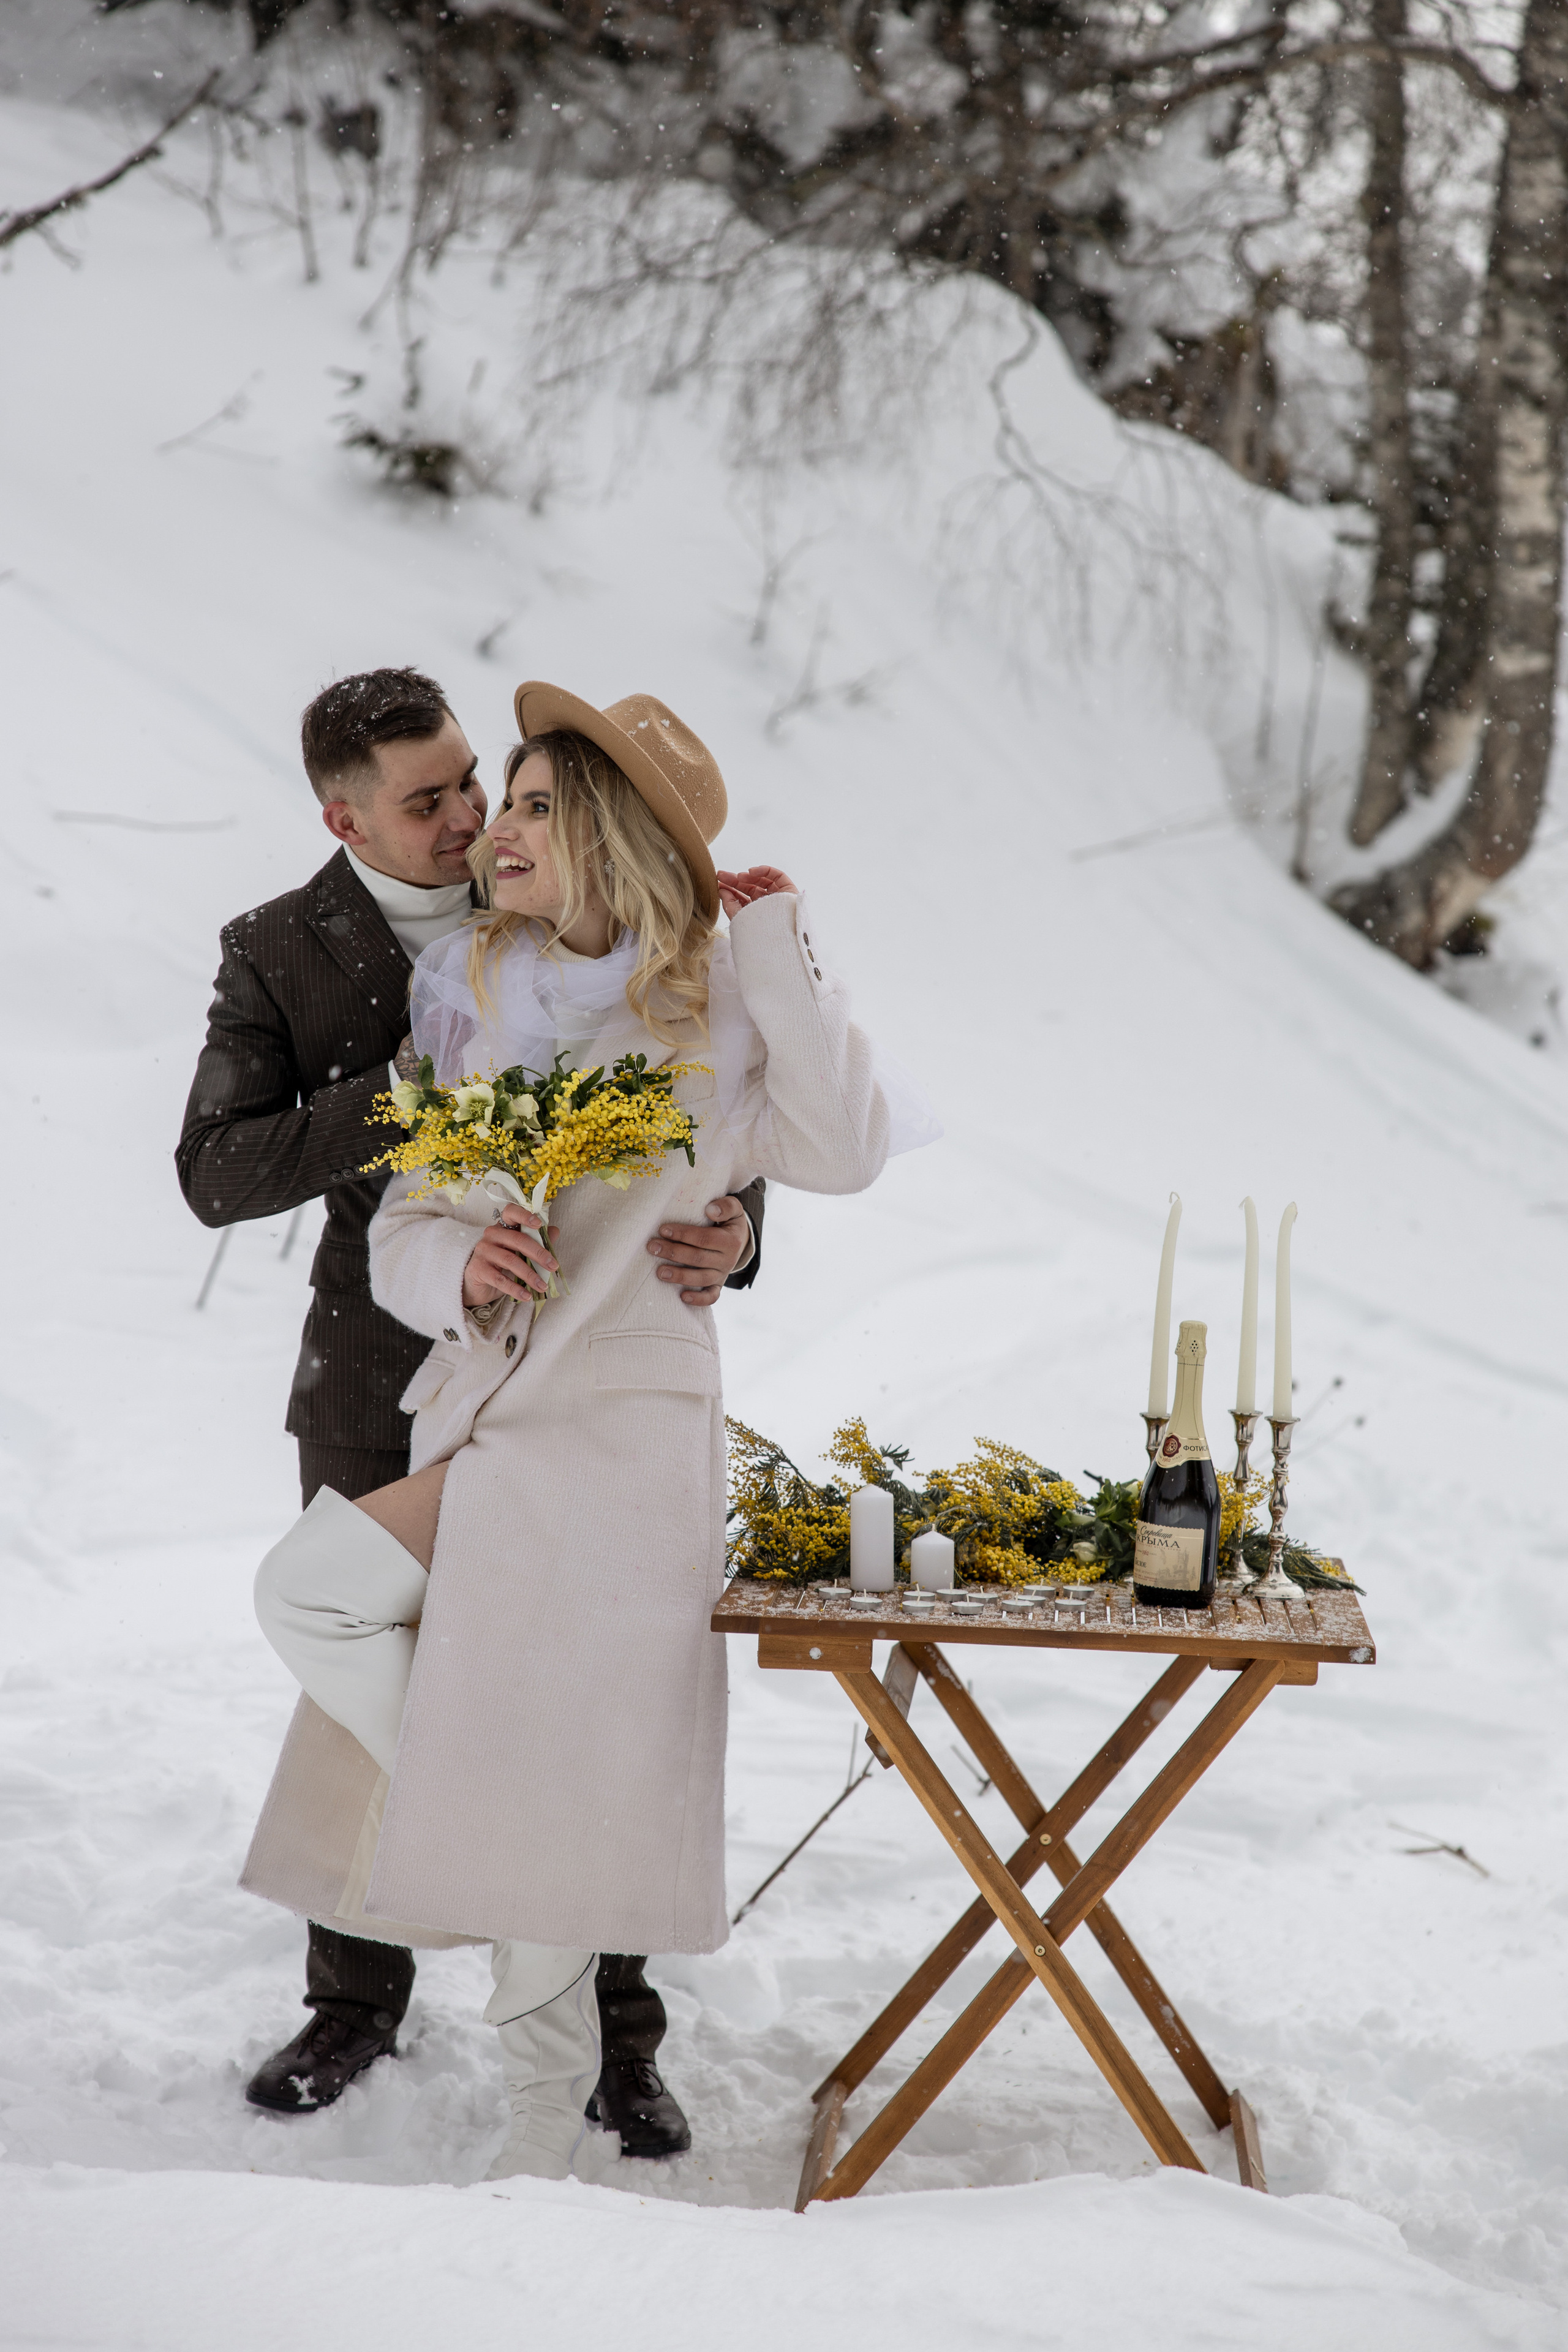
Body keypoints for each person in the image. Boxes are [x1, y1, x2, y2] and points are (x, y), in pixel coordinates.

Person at [241, 681, 938, 2182]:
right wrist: (459, 1268)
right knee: (313, 1594)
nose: (499, 824)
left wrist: (780, 942)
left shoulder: (720, 998)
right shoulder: (470, 996)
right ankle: (475, 1830)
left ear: (610, 831)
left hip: (625, 1429)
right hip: (487, 1414)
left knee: (546, 1755)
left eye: (542, 803)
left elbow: (842, 1148)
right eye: (511, 796)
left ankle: (531, 2135)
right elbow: (405, 1233)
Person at [178, 669, 764, 2151]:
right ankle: (355, 1999)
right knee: (349, 1670)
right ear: (344, 815)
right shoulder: (278, 948)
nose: (461, 819)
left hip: (565, 1371)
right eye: (425, 800)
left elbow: (699, 1127)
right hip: (375, 1365)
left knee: (586, 1678)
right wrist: (422, 1097)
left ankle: (612, 2034)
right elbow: (217, 1172)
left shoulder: (571, 894)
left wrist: (744, 1232)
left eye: (469, 786)